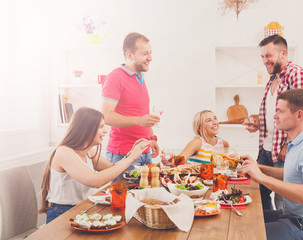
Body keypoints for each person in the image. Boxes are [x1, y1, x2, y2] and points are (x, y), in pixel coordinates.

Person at [241, 89, 303, 240]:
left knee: (244, 235)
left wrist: (261, 178)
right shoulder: (297, 142)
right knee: (243, 217)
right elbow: (291, 173)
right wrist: (258, 167)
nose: (274, 116)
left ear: (299, 115)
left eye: (280, 111)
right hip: (293, 218)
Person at [39, 107, 149, 223]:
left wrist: (130, 155)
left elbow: (113, 169)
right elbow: (95, 181)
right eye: (101, 126)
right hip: (61, 213)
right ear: (87, 129)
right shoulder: (64, 152)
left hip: (82, 209)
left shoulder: (88, 151)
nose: (106, 130)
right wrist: (130, 159)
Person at [245, 34, 303, 210]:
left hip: (283, 151)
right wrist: (259, 124)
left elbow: (302, 114)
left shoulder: (297, 74)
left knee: (282, 202)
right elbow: (278, 114)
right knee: (260, 195)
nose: (265, 61)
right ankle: (266, 232)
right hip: (266, 149)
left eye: (268, 55)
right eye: (262, 56)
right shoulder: (273, 78)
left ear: (283, 53)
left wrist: (288, 144)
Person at [102, 32, 160, 182]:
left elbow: (142, 114)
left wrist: (151, 137)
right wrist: (139, 120)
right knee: (124, 202)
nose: (150, 58)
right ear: (130, 55)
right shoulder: (115, 78)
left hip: (144, 151)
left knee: (146, 199)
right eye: (145, 53)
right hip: (124, 154)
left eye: (151, 53)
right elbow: (106, 116)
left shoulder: (139, 77)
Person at [161, 110, 229, 166]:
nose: (215, 122)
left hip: (217, 180)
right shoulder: (197, 142)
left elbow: (227, 165)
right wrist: (170, 161)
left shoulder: (224, 144)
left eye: (215, 118)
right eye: (209, 120)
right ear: (199, 127)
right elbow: (179, 161)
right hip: (198, 181)